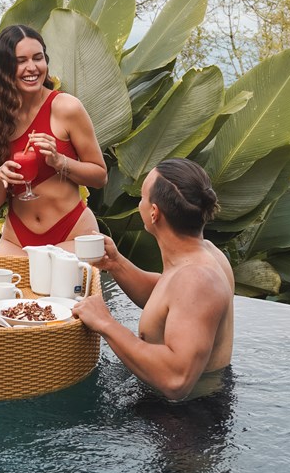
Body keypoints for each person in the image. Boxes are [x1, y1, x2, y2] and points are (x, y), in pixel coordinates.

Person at [72, 158, 234, 401]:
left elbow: (176, 380)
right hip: (182, 412)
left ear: (154, 212)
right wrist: (117, 263)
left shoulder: (197, 280)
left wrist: (106, 324)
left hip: (187, 425)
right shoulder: (203, 255)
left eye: (142, 197)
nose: (140, 203)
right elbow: (169, 302)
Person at [0, 25, 107, 254]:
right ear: (4, 68)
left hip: (72, 233)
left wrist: (60, 162)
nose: (32, 68)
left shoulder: (67, 108)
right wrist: (0, 177)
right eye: (21, 61)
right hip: (16, 239)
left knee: (61, 287)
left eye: (38, 58)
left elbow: (100, 176)